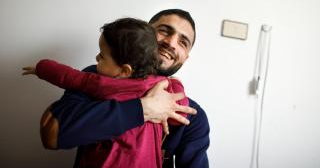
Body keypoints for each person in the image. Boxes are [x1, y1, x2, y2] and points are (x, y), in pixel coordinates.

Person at [39, 9, 210, 168]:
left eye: (183, 42)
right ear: (146, 32)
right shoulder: (97, 77)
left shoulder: (193, 116)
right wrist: (142, 108)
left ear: (185, 58)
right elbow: (52, 134)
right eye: (165, 30)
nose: (171, 43)